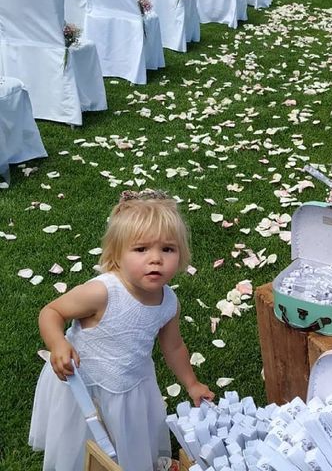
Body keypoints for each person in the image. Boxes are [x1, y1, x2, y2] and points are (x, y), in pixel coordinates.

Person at [29, 189, 214, 471]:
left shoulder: (168, 303)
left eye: (168, 249)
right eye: (141, 249)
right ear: (117, 254)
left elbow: (173, 346)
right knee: (80, 443)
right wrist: (58, 344)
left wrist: (191, 383)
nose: (156, 259)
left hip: (133, 385)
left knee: (127, 442)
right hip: (84, 385)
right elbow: (51, 312)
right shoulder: (103, 293)